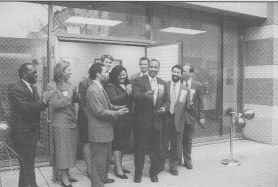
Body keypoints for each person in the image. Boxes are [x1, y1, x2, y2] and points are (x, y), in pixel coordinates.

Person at [8, 63, 54, 187]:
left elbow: (37, 106)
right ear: (24, 74)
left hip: (30, 132)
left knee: (28, 163)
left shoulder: (31, 88)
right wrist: (44, 100)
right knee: (26, 163)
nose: (36, 74)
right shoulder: (16, 88)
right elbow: (27, 108)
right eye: (33, 72)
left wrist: (45, 101)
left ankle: (30, 184)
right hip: (22, 134)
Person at [86, 62, 129, 187]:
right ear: (98, 74)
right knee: (97, 161)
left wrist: (118, 107)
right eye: (105, 72)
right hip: (99, 132)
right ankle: (97, 184)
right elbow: (99, 111)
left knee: (104, 160)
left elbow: (107, 105)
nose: (108, 74)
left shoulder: (100, 87)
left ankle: (103, 179)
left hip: (105, 131)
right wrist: (117, 113)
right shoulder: (93, 90)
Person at [132, 59, 170, 183]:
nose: (153, 69)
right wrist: (144, 95)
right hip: (142, 122)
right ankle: (138, 174)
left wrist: (165, 107)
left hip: (157, 121)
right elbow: (134, 96)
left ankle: (153, 173)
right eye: (151, 67)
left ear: (159, 68)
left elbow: (167, 100)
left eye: (156, 67)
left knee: (155, 150)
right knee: (140, 150)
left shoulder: (163, 83)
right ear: (148, 67)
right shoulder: (139, 80)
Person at [47, 61, 80, 187]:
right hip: (60, 123)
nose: (71, 72)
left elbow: (75, 100)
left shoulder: (69, 83)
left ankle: (66, 173)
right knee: (62, 151)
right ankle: (63, 177)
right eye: (68, 70)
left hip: (71, 121)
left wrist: (75, 93)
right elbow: (56, 104)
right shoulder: (51, 86)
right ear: (61, 72)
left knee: (70, 150)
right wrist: (70, 94)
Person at [105, 65, 133, 179]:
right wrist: (127, 93)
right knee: (118, 143)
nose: (122, 77)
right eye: (120, 75)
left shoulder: (127, 85)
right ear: (115, 75)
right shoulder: (110, 86)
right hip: (118, 118)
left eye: (124, 74)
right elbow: (114, 100)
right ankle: (118, 169)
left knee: (124, 144)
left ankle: (119, 165)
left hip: (128, 117)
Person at [165, 64, 190, 176]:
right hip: (165, 118)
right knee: (163, 143)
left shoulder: (185, 89)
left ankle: (173, 166)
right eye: (173, 71)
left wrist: (189, 105)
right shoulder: (165, 85)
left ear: (181, 75)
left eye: (177, 72)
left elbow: (187, 105)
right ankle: (160, 164)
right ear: (171, 72)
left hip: (178, 120)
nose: (175, 74)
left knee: (176, 145)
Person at [181, 64, 205, 170]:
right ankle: (176, 160)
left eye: (185, 71)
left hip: (191, 116)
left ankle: (187, 161)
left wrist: (201, 116)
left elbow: (200, 102)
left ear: (191, 73)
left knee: (188, 139)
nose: (183, 73)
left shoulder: (197, 85)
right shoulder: (178, 83)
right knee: (177, 139)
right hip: (179, 116)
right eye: (182, 71)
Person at [77, 65, 94, 178]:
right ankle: (89, 169)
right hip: (86, 118)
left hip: (98, 118)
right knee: (87, 142)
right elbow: (81, 103)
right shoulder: (84, 83)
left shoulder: (102, 82)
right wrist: (91, 117)